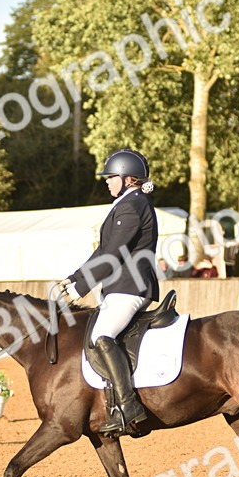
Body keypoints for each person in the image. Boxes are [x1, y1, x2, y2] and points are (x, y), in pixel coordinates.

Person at [59, 148, 159, 438]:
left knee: (101, 335)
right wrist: (74, 279)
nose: (106, 181)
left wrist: (81, 286)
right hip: (121, 287)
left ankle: (129, 407)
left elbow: (114, 254)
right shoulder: (129, 203)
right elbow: (103, 250)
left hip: (131, 286)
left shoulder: (132, 205)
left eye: (111, 176)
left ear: (128, 179)